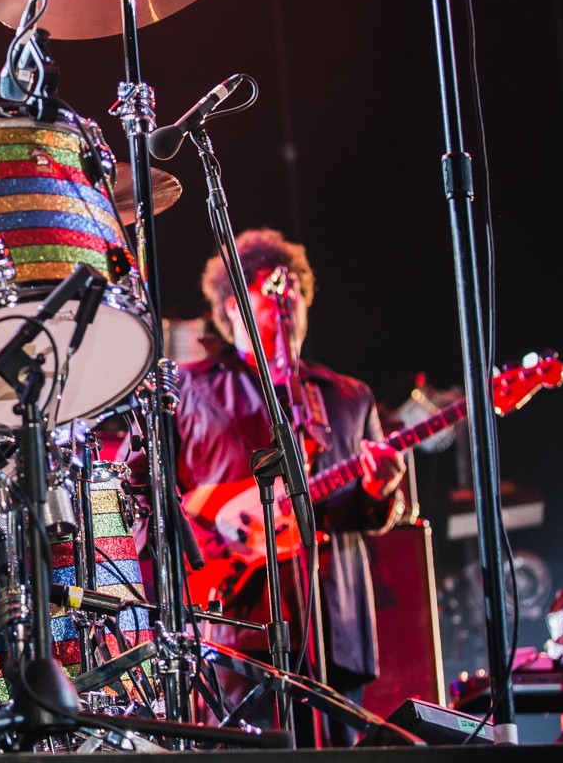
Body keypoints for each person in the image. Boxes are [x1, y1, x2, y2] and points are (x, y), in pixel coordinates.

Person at [133, 228, 406, 745]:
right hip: (236, 624)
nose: (288, 300)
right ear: (232, 305)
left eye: (295, 289)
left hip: (334, 622)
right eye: (269, 290)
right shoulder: (188, 389)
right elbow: (147, 497)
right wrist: (214, 537)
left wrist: (379, 490)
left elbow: (369, 512)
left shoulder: (349, 396)